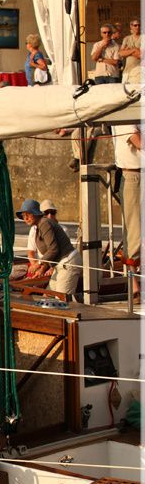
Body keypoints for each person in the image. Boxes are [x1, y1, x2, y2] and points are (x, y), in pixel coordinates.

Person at [17, 198, 81, 297]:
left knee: (60, 300)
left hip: (67, 263)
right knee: (47, 297)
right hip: (59, 264)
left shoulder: (44, 223)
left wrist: (38, 264)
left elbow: (53, 249)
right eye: (23, 216)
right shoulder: (39, 227)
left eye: (28, 215)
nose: (25, 218)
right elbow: (51, 252)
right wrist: (43, 269)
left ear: (36, 214)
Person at [115, 126, 141, 301]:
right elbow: (136, 139)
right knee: (135, 233)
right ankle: (135, 286)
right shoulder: (128, 111)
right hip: (134, 176)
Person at [119, 18, 142, 85]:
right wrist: (134, 50)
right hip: (127, 71)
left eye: (139, 25)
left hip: (140, 71)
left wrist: (128, 52)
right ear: (131, 26)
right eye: (135, 25)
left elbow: (142, 55)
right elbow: (121, 53)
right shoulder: (127, 39)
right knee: (124, 93)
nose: (137, 27)